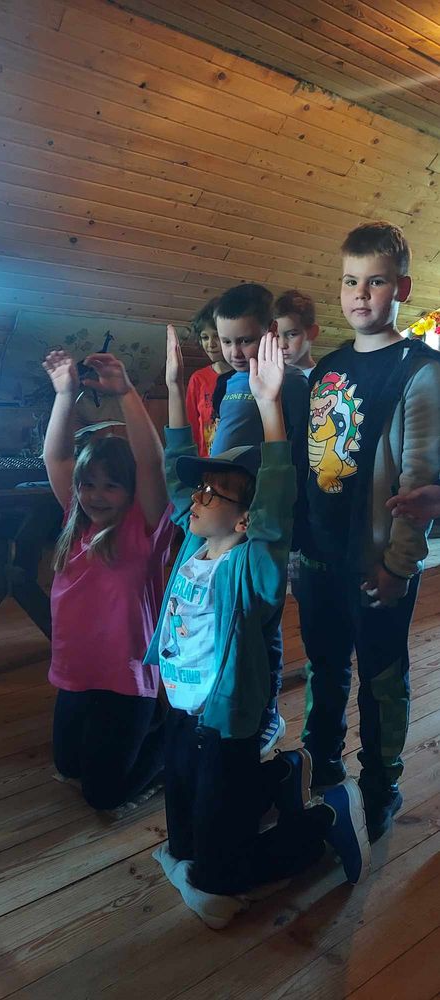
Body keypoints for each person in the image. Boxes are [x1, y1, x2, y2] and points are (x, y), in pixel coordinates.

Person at [146, 327, 370, 928]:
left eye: (214, 493)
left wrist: (271, 407)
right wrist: (173, 388)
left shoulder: (252, 568)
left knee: (218, 877)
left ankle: (321, 821)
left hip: (226, 722)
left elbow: (275, 513)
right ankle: (277, 777)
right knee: (183, 839)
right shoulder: (194, 542)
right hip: (182, 711)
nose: (197, 499)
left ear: (244, 519)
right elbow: (176, 475)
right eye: (200, 490)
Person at [298, 221, 440, 842]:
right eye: (350, 281)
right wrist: (300, 548)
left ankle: (380, 785)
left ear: (401, 288)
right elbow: (310, 466)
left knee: (380, 678)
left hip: (377, 561)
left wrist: (399, 565)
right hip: (319, 558)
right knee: (324, 669)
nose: (360, 294)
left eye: (375, 282)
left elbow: (418, 484)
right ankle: (321, 765)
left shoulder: (421, 371)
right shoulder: (327, 368)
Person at [43, 349, 173, 812]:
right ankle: (142, 732)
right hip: (79, 674)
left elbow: (151, 464)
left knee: (104, 796)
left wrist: (125, 393)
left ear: (131, 490)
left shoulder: (145, 527)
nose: (96, 495)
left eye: (111, 485)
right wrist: (64, 394)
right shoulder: (75, 521)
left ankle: (175, 735)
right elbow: (56, 455)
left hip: (125, 682)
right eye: (88, 483)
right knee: (68, 767)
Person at [210, 283, 310, 757]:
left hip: (264, 522)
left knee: (263, 622)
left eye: (245, 340)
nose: (234, 352)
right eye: (226, 341)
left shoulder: (292, 385)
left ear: (270, 332)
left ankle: (267, 713)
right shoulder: (229, 383)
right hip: (225, 523)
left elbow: (298, 456)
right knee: (229, 616)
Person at [185, 298, 232, 457]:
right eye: (205, 337)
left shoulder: (243, 377)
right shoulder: (198, 379)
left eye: (216, 337)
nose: (211, 344)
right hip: (205, 461)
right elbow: (191, 423)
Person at [274, 289, 319, 378]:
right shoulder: (267, 377)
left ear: (313, 332)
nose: (282, 345)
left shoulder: (324, 378)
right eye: (277, 336)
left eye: (292, 334)